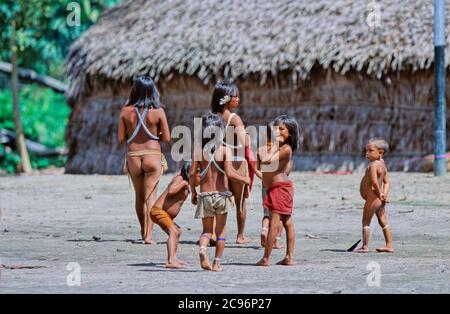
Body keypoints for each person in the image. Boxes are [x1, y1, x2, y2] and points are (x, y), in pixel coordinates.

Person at [190, 113, 250, 271]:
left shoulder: (198, 151)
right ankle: (217, 262)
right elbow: (230, 174)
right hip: (221, 196)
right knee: (221, 231)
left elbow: (191, 174)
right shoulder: (225, 150)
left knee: (207, 231)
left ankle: (203, 249)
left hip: (204, 196)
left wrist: (193, 192)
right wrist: (244, 179)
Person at [118, 76, 170, 244]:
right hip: (153, 156)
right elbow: (167, 137)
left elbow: (121, 138)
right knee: (151, 198)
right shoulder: (158, 111)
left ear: (134, 90)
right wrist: (155, 134)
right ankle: (148, 236)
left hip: (133, 157)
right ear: (152, 91)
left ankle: (143, 230)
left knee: (139, 197)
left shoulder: (125, 111)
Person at [211, 80, 255, 244]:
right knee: (240, 201)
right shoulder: (234, 119)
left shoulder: (212, 117)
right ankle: (240, 236)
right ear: (227, 98)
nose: (238, 99)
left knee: (218, 199)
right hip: (236, 162)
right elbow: (246, 142)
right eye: (236, 96)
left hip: (218, 162)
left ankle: (214, 234)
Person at [256, 115, 299, 266]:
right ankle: (288, 257)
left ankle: (266, 258)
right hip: (275, 189)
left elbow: (266, 159)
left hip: (280, 189)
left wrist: (268, 148)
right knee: (287, 222)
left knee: (275, 224)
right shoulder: (277, 147)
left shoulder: (286, 149)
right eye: (276, 129)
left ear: (290, 133)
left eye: (281, 129)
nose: (278, 132)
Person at [255, 125, 292, 248]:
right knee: (280, 216)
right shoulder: (281, 149)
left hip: (265, 184)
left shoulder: (260, 149)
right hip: (277, 185)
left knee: (267, 213)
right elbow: (286, 170)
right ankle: (277, 240)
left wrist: (264, 178)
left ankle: (264, 230)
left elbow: (255, 168)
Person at [150, 162, 192, 268]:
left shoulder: (186, 182)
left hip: (166, 215)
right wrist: (184, 184)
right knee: (173, 231)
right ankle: (170, 261)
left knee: (177, 231)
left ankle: (173, 257)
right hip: (158, 211)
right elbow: (171, 191)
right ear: (188, 172)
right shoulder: (179, 179)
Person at [356, 138, 393, 253]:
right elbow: (386, 181)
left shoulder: (373, 165)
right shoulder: (382, 164)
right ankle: (389, 245)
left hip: (373, 198)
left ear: (380, 152)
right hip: (379, 198)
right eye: (366, 150)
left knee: (366, 222)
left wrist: (379, 193)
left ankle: (365, 246)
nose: (367, 153)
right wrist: (384, 195)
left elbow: (374, 183)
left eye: (370, 150)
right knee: (383, 222)